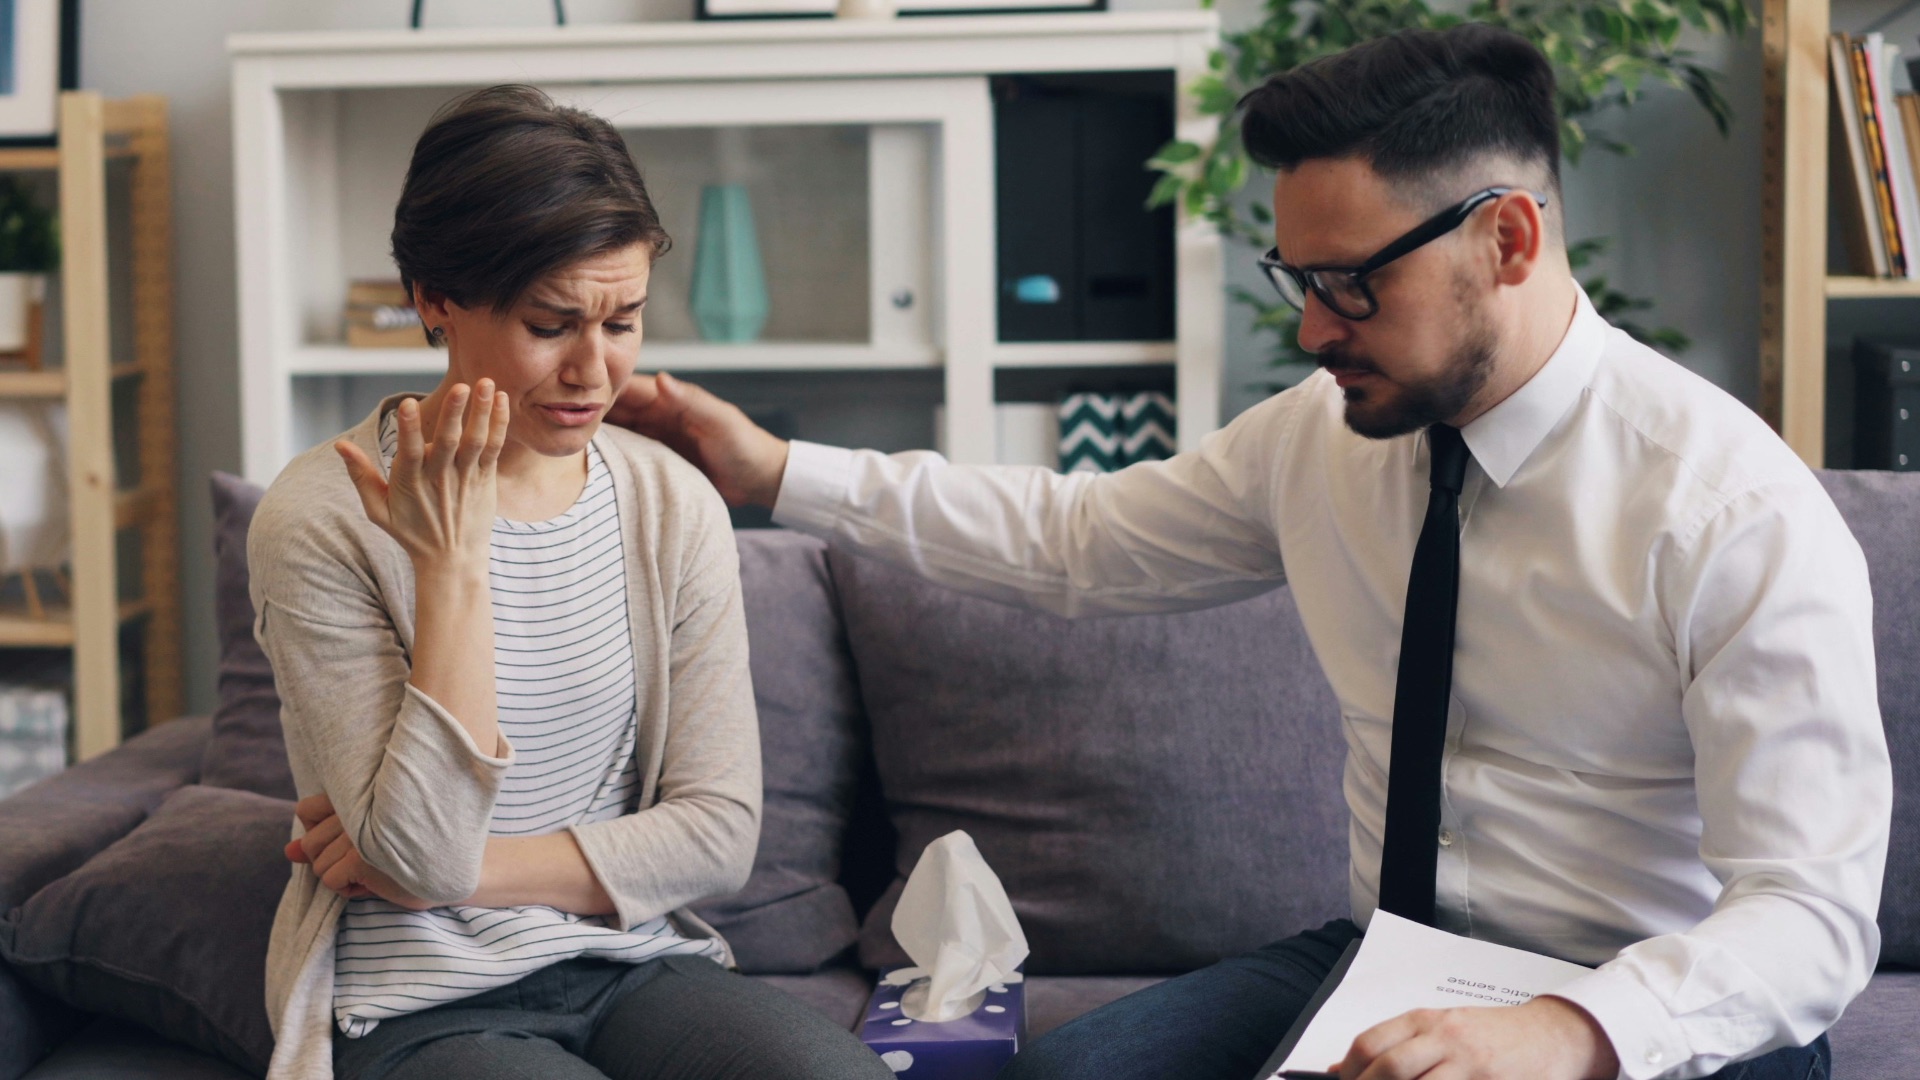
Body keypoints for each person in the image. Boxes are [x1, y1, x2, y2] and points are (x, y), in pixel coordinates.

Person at [607, 26, 1891, 1080]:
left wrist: (1571, 1032)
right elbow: (1079, 539)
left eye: (1353, 284)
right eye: (1298, 278)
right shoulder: (1319, 443)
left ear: (1508, 241)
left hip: (1651, 1008)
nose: (1313, 330)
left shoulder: (1732, 515)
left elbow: (1811, 918)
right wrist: (774, 470)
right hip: (1390, 954)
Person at [247, 85, 894, 1080]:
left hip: (633, 964)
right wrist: (453, 567)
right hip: (423, 998)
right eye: (551, 325)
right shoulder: (323, 517)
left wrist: (469, 875)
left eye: (625, 319)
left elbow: (719, 834)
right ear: (434, 298)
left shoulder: (669, 503)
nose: (597, 371)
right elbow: (418, 853)